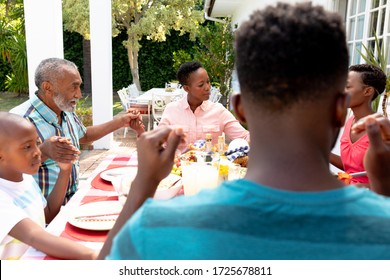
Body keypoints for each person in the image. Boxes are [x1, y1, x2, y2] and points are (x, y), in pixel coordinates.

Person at [98, 3, 390, 260]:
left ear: (240, 109)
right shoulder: (381, 228)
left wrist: (143, 188)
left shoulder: (156, 228)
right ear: (341, 109)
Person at [10, 58, 145, 203]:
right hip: (43, 212)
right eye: (73, 87)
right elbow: (10, 169)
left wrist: (120, 122)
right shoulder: (20, 121)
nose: (79, 94)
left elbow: (84, 135)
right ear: (48, 87)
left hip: (73, 199)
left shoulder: (64, 108)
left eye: (79, 86)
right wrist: (43, 151)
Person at [0, 112, 96, 260]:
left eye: (37, 143)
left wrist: (65, 171)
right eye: (27, 147)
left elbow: (48, 215)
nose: (37, 152)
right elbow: (34, 236)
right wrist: (96, 256)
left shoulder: (26, 179)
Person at [158, 61, 249, 150]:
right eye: (201, 85)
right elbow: (159, 144)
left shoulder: (218, 111)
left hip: (211, 164)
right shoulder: (172, 110)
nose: (207, 87)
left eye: (208, 82)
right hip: (178, 164)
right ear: (186, 88)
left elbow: (244, 136)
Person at [330, 64, 387, 185]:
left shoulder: (382, 130)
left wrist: (361, 187)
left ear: (367, 91)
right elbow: (353, 169)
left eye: (347, 87)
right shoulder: (350, 122)